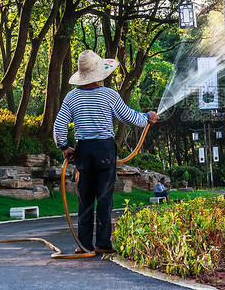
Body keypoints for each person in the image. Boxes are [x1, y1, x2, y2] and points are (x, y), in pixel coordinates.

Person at [53, 50, 158, 254]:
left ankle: (83, 245)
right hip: (105, 151)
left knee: (84, 200)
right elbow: (130, 117)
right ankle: (103, 244)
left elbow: (59, 125)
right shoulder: (109, 95)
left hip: (83, 151)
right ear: (100, 75)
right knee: (104, 199)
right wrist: (148, 117)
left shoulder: (71, 97)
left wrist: (64, 147)